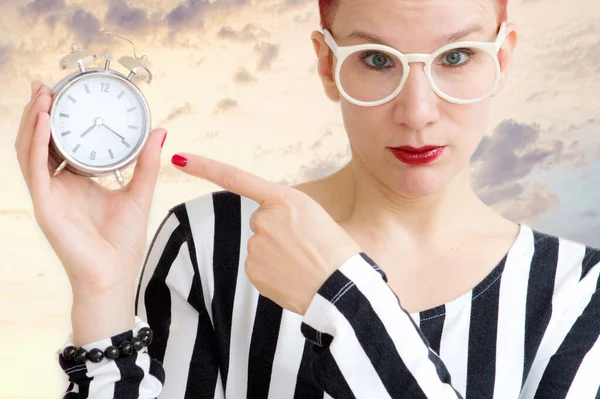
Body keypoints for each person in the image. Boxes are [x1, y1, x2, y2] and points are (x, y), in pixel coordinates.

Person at [14, 0, 600, 397]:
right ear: (325, 63)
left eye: (455, 57)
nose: (418, 112)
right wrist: (104, 299)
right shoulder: (208, 246)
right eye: (375, 60)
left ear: (501, 59)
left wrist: (345, 298)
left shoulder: (579, 293)